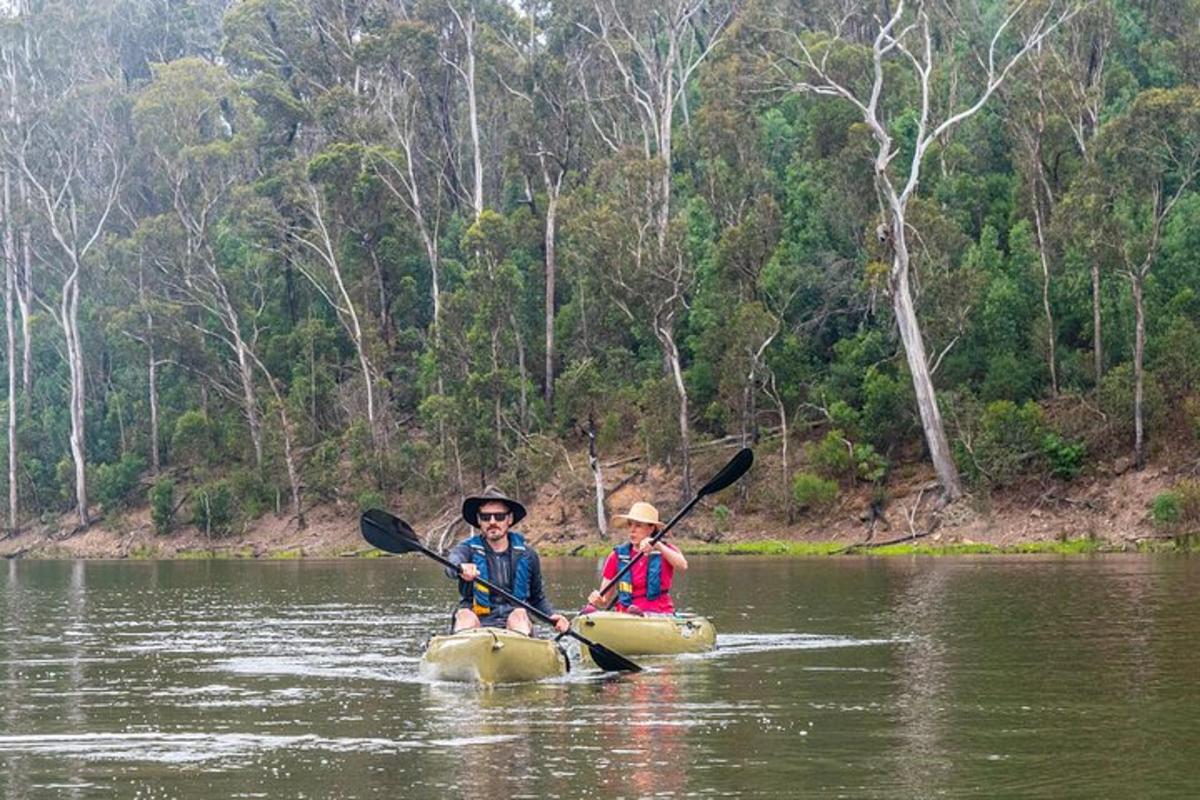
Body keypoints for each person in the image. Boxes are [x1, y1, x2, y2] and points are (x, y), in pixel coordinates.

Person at [445, 488, 570, 636]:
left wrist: (552, 616)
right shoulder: (467, 549)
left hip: (514, 623)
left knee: (519, 614)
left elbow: (537, 598)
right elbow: (451, 565)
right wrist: (460, 568)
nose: (492, 522)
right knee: (464, 615)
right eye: (485, 517)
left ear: (509, 519)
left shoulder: (528, 555)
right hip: (476, 619)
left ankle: (518, 648)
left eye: (499, 516)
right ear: (479, 521)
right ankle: (465, 646)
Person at [586, 501, 688, 615]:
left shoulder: (664, 549)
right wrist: (599, 600)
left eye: (638, 525)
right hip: (626, 616)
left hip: (659, 614)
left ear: (651, 529)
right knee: (590, 612)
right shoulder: (617, 556)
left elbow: (683, 565)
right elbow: (604, 601)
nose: (632, 530)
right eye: (630, 524)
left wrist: (658, 546)